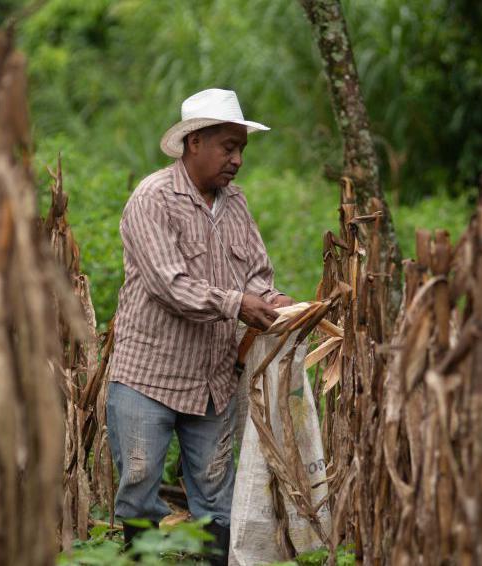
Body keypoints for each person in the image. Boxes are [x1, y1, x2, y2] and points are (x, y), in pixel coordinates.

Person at [107, 88, 292, 565]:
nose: (236, 160)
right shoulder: (153, 199)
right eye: (227, 147)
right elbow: (171, 285)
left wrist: (273, 301)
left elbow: (256, 272)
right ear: (194, 143)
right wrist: (239, 304)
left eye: (241, 150)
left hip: (213, 380)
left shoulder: (235, 204)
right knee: (140, 484)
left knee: (216, 497)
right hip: (149, 374)